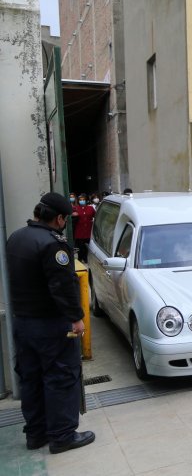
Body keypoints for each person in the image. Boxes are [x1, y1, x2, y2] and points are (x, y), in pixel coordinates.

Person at [7, 192, 95, 453]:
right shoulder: (53, 245)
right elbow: (62, 287)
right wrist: (76, 318)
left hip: (23, 323)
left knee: (31, 378)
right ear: (59, 218)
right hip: (50, 325)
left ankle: (36, 434)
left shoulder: (16, 237)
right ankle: (62, 435)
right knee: (60, 377)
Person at [72, 193, 95, 263]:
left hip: (88, 230)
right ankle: (80, 258)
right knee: (80, 246)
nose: (82, 201)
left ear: (86, 200)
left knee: (87, 246)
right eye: (80, 200)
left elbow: (95, 216)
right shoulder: (75, 208)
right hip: (79, 231)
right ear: (78, 201)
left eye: (83, 200)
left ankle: (86, 258)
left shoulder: (90, 208)